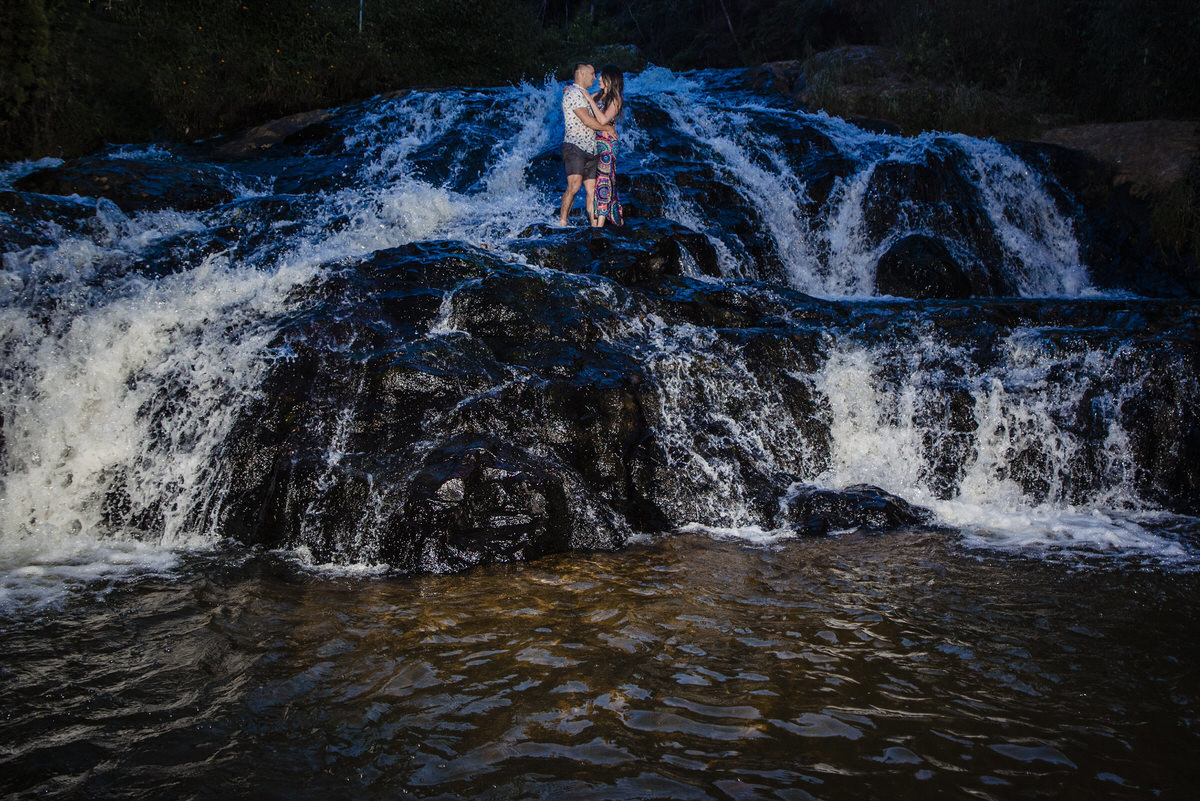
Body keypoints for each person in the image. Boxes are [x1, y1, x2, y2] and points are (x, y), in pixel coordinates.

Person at [558, 63, 615, 227]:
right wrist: (607, 128)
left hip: (591, 148)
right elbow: (586, 119)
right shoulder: (573, 93)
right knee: (574, 186)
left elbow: (604, 98)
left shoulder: (586, 94)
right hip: (575, 146)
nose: (595, 77)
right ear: (582, 74)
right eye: (592, 74)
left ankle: (595, 226)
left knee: (592, 191)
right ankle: (562, 222)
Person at [585, 65, 625, 228]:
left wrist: (589, 100)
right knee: (600, 183)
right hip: (594, 145)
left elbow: (602, 120)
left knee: (603, 182)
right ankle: (615, 219)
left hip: (607, 145)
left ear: (610, 79)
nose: (599, 79)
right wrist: (572, 91)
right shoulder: (597, 95)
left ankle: (599, 226)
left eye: (602, 76)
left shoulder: (616, 99)